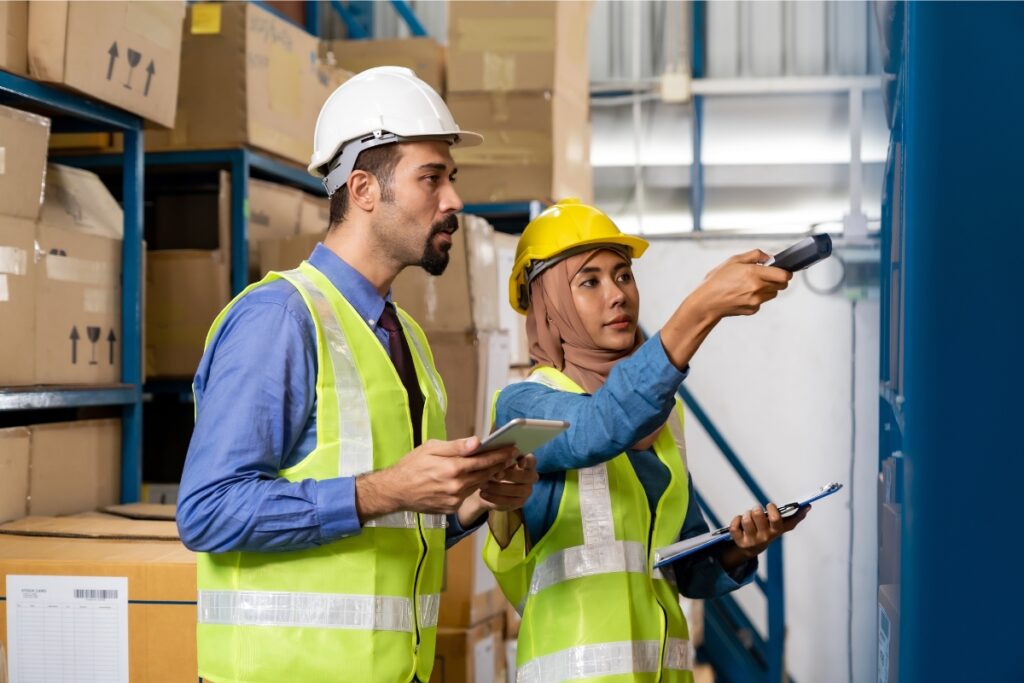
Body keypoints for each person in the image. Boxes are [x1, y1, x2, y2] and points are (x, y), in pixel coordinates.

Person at [176, 67, 538, 683]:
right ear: (365, 189)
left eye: (452, 178)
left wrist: (469, 501)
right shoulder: (279, 319)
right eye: (432, 178)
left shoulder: (406, 337)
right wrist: (384, 490)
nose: (453, 201)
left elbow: (391, 531)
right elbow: (208, 512)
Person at [483, 199, 810, 683]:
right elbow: (599, 427)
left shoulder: (663, 415)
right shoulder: (526, 404)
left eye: (623, 275)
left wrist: (739, 547)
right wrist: (702, 308)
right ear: (548, 304)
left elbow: (681, 567)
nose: (617, 295)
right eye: (588, 282)